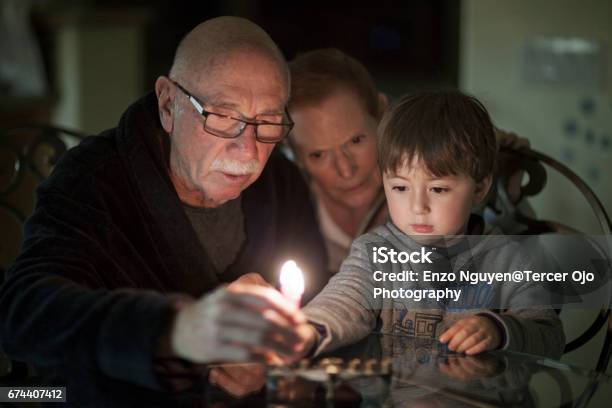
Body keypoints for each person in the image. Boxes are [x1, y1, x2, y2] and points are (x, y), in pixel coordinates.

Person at [0, 16, 324, 393]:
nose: (248, 150)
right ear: (169, 105)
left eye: (267, 123)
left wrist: (276, 357)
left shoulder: (280, 182)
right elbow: (25, 311)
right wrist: (177, 329)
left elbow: (319, 306)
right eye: (222, 116)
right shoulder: (95, 178)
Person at [297, 90, 565, 358]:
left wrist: (501, 329)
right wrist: (308, 330)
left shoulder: (509, 259)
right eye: (400, 187)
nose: (417, 207)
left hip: (478, 398)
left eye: (438, 189)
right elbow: (343, 301)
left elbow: (549, 337)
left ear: (480, 188)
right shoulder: (375, 254)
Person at [287, 48, 530, 274]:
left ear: (383, 113)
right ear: (293, 154)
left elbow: (530, 283)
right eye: (318, 155)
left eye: (356, 141)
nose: (346, 170)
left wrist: (503, 191)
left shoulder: (452, 185)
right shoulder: (285, 211)